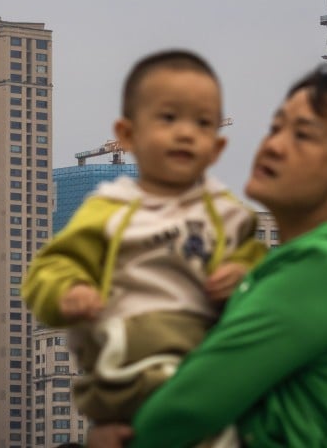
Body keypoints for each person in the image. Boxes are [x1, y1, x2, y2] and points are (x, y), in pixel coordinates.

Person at [90, 68, 327, 448]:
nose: (274, 145)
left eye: (303, 135)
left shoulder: (323, 269)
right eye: (275, 127)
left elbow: (187, 408)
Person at [23, 49, 267, 424]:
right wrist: (69, 291)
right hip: (123, 387)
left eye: (201, 124)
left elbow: (259, 267)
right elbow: (51, 266)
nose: (183, 134)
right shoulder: (108, 208)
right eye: (167, 120)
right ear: (127, 135)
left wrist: (241, 275)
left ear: (216, 146)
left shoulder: (227, 214)